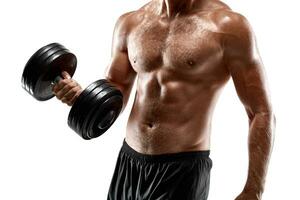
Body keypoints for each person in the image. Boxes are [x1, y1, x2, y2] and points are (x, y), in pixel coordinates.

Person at [52, 0, 276, 199]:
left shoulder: (228, 27)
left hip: (182, 171)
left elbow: (260, 112)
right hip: (129, 163)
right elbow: (115, 88)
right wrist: (82, 98)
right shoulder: (131, 23)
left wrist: (253, 190)